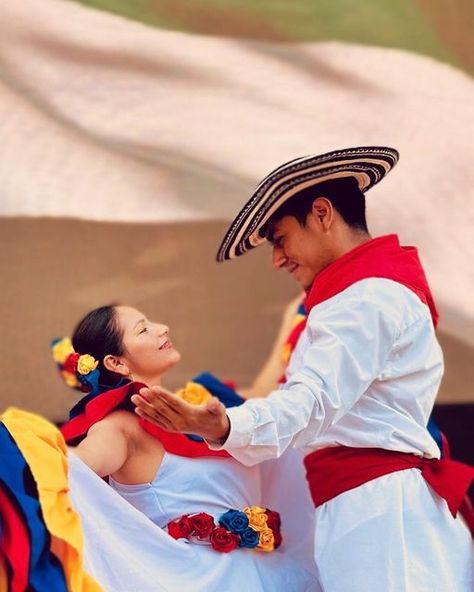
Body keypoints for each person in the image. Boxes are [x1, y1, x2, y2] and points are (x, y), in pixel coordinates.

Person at [132, 146, 474, 592]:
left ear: (321, 212)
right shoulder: (365, 294)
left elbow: (311, 400)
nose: (277, 258)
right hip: (379, 506)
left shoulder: (361, 299)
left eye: (279, 238)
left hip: (383, 513)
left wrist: (224, 425)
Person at [0, 304, 317, 591]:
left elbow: (264, 398)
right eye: (143, 328)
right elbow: (73, 467)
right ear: (116, 362)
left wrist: (293, 317)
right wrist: (20, 447)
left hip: (266, 573)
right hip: (192, 580)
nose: (162, 327)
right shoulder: (119, 428)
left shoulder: (202, 407)